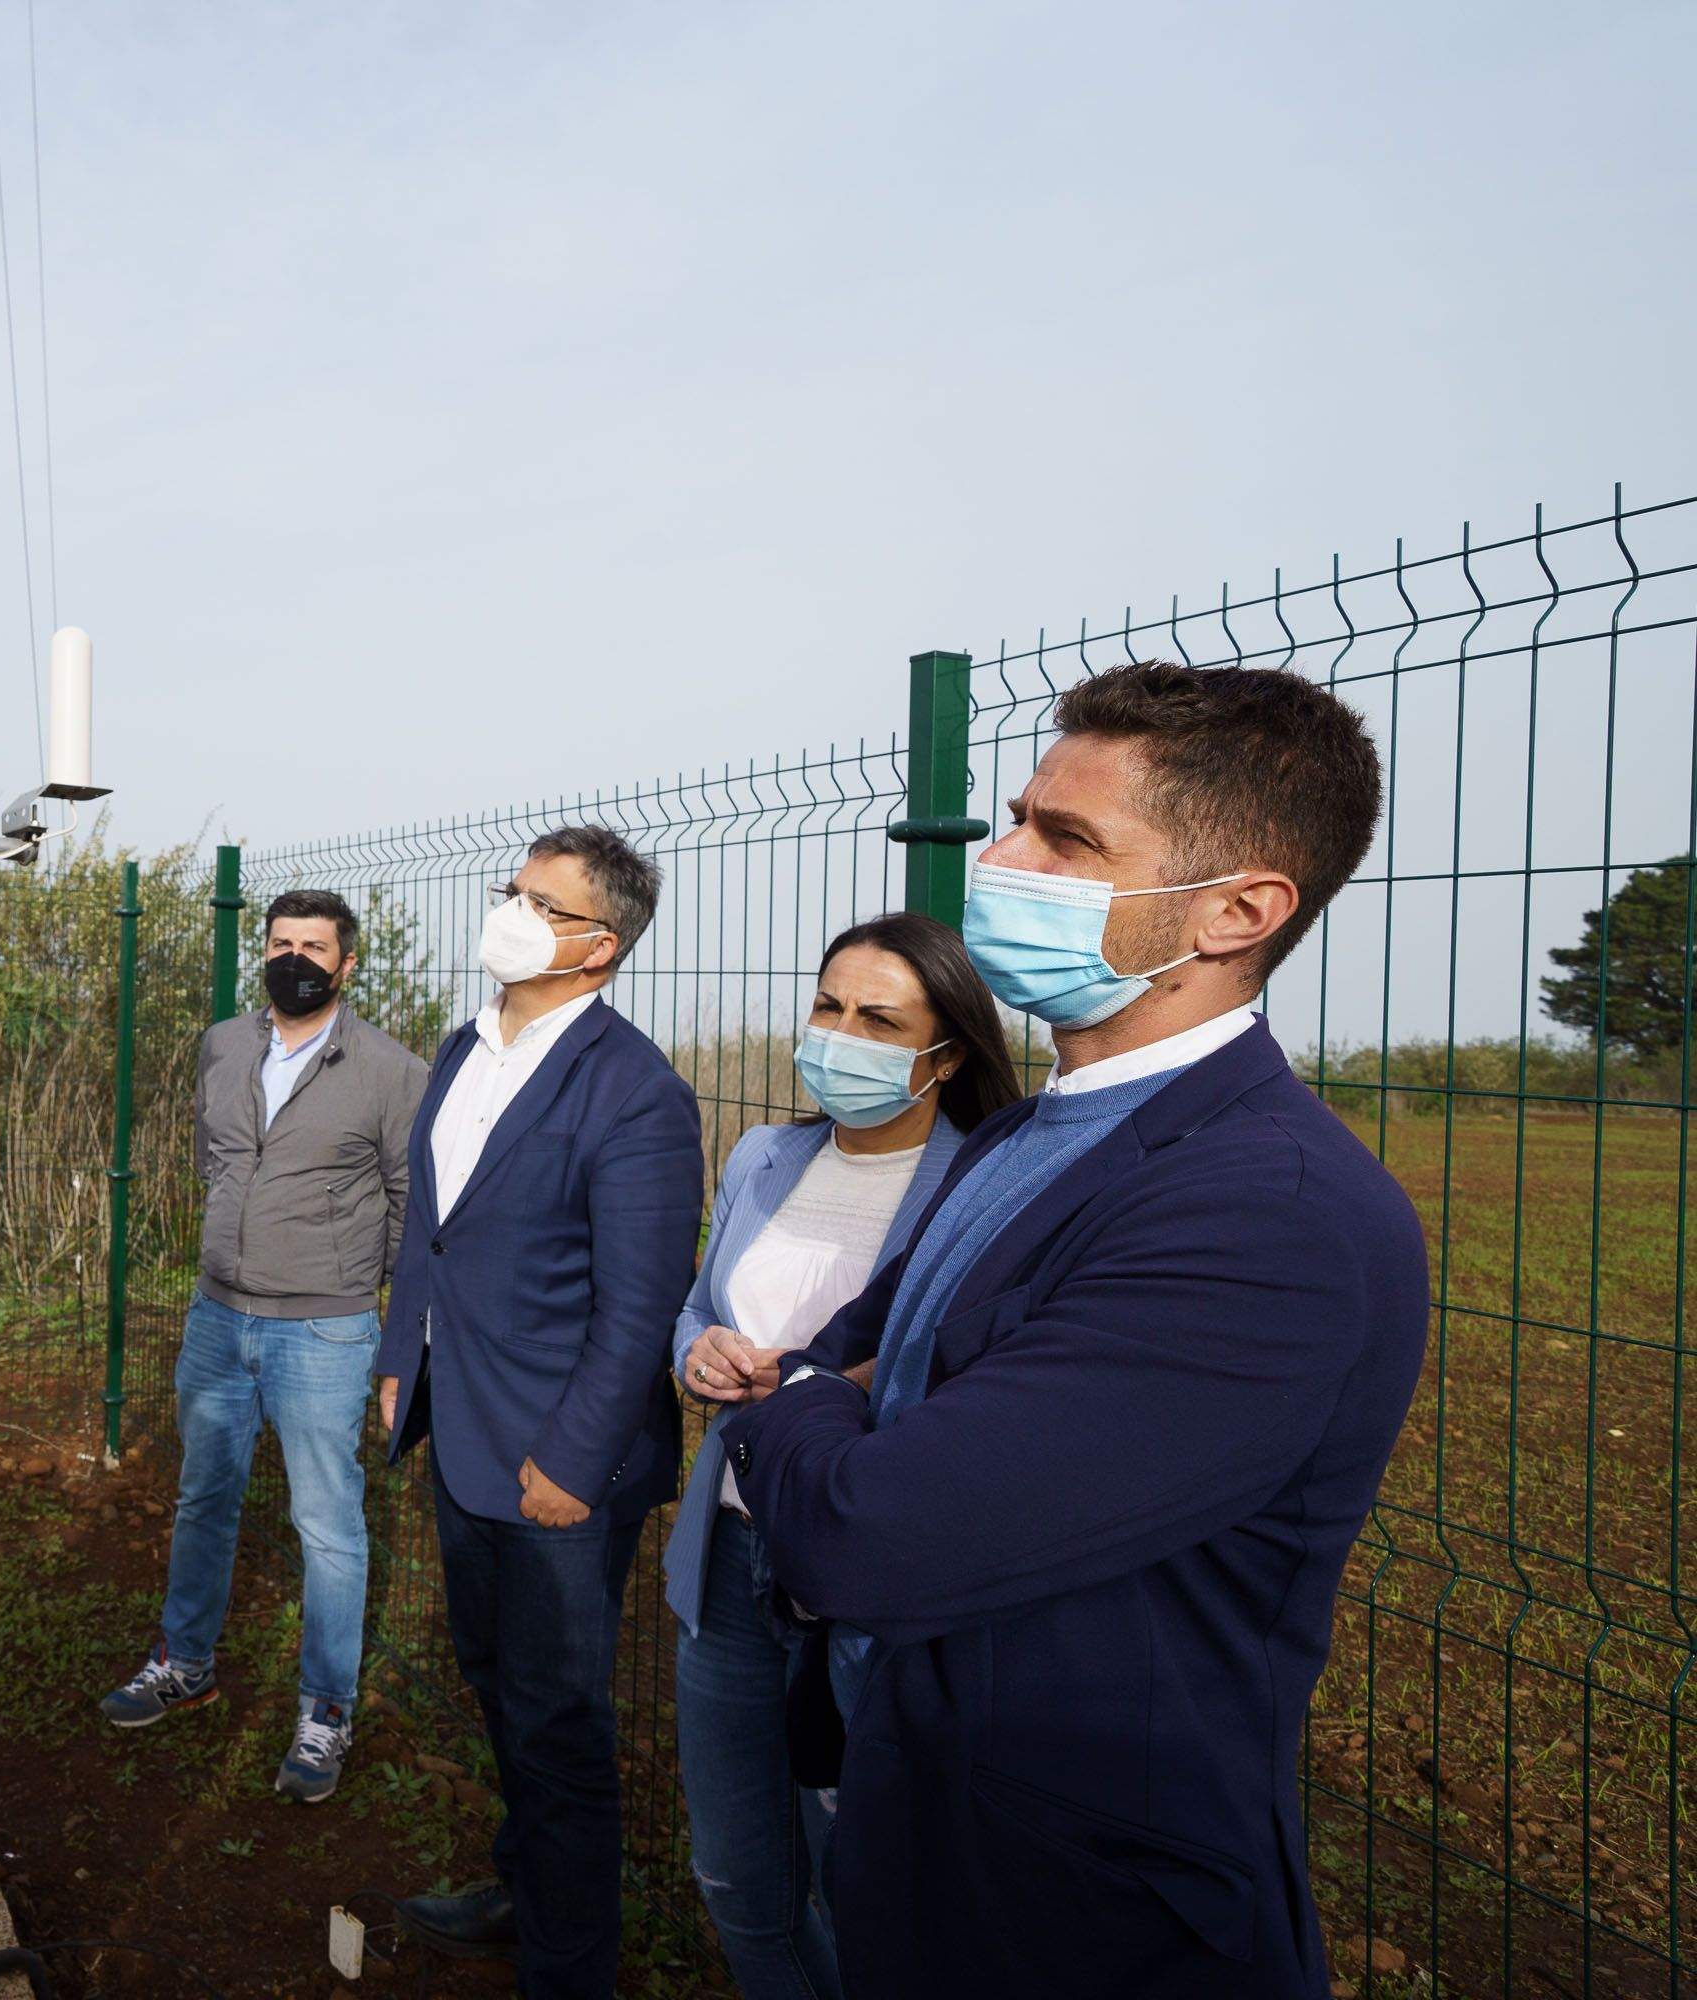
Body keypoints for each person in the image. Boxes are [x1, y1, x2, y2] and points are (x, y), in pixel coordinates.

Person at [717, 663, 1428, 2000]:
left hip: (1079, 1909)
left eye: (1067, 838)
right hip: (919, 1811)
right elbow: (870, 1355)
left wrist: (787, 1399)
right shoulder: (1038, 1132)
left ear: (1237, 910)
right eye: (1017, 819)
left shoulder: (1268, 1215)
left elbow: (866, 1530)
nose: (998, 858)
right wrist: (841, 1385)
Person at [373, 826, 707, 1999]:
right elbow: (433, 1224)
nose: (509, 910)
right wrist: (395, 1352)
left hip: (560, 1464)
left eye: (540, 899)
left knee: (560, 1723)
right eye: (510, 889)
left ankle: (573, 1966)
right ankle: (527, 1887)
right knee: (493, 1676)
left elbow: (639, 1303)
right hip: (459, 1426)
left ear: (598, 944)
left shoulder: (637, 1092)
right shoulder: (468, 1044)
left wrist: (572, 1459)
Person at [667, 912, 1023, 2000]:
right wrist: (703, 1355)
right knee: (735, 1874)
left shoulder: (984, 1188)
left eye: (879, 1018)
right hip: (730, 1554)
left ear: (947, 1052)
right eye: (830, 1005)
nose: (840, 1034)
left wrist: (834, 1389)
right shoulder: (764, 1155)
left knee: (860, 1879)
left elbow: (977, 1381)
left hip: (865, 1583)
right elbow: (694, 1306)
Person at [100, 889, 427, 1802]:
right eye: (281, 943)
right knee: (204, 1497)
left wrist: (383, 1316)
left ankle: (325, 1712)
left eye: (314, 947)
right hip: (218, 1316)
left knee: (327, 1525)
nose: (295, 959)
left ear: (346, 964)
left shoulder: (392, 1072)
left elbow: (410, 1208)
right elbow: (218, 1159)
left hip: (323, 1327)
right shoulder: (224, 1044)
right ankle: (186, 1663)